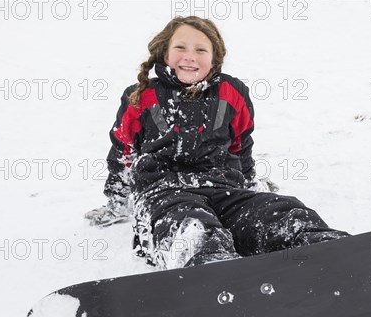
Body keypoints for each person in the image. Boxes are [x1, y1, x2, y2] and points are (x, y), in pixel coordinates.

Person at [86, 16, 350, 269]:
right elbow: (123, 152)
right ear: (165, 54)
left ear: (214, 60)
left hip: (225, 189)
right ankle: (213, 268)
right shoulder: (141, 96)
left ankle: (328, 254)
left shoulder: (231, 92)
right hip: (164, 193)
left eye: (201, 50)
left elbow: (240, 145)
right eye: (180, 48)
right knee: (191, 228)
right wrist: (118, 201)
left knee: (280, 212)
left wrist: (248, 185)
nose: (190, 56)